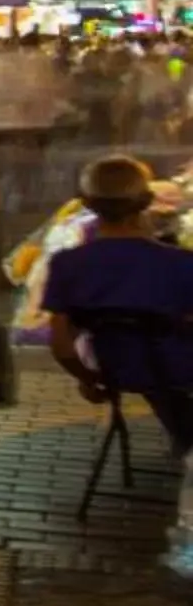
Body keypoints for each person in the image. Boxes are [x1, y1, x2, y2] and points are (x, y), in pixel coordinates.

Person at [40, 155, 193, 574]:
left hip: (120, 371)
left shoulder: (68, 265)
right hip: (181, 372)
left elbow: (62, 345)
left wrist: (90, 381)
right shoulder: (180, 264)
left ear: (88, 203)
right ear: (146, 202)